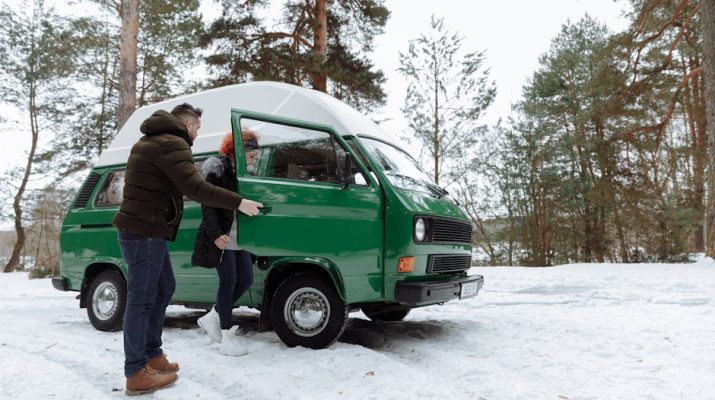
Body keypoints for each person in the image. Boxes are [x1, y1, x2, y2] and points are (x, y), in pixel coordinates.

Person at [112, 103, 263, 396]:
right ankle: (136, 371)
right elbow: (195, 188)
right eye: (197, 129)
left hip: (148, 231)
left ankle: (152, 353)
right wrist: (238, 202)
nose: (197, 134)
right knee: (141, 300)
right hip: (144, 232)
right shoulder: (172, 143)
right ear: (188, 125)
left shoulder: (154, 140)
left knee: (164, 288)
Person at [192, 129, 260, 356]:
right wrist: (215, 234)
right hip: (223, 235)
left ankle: (213, 315)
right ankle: (226, 336)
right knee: (228, 281)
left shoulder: (248, 174)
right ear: (238, 150)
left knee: (246, 279)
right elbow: (207, 204)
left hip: (242, 237)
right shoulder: (218, 170)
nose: (255, 157)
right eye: (252, 153)